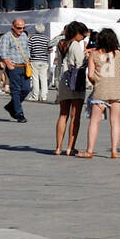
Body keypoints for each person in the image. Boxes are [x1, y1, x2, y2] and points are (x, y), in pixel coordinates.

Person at [80, 28, 120, 159]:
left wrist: (98, 81)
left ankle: (89, 151)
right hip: (117, 90)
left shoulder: (94, 54)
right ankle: (114, 151)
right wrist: (119, 79)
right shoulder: (119, 53)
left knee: (94, 121)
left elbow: (90, 75)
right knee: (115, 121)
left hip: (101, 90)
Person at [53, 21, 88, 155]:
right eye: (82, 35)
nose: (83, 38)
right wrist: (88, 56)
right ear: (77, 33)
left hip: (64, 80)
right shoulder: (74, 45)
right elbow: (80, 63)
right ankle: (69, 147)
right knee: (75, 115)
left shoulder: (61, 44)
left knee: (63, 114)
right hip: (75, 81)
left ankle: (58, 147)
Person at [0, 18, 32, 123]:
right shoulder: (6, 37)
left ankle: (10, 106)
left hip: (24, 66)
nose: (21, 30)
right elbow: (3, 52)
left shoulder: (24, 36)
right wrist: (8, 63)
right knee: (16, 90)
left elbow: (26, 49)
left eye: (23, 28)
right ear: (13, 27)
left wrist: (28, 59)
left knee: (27, 89)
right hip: (14, 67)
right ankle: (19, 113)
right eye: (19, 28)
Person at [28, 23, 51, 102]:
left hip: (34, 60)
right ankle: (44, 96)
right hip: (44, 60)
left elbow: (28, 48)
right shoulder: (47, 38)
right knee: (44, 78)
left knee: (35, 78)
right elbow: (49, 49)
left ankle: (35, 96)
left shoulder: (32, 38)